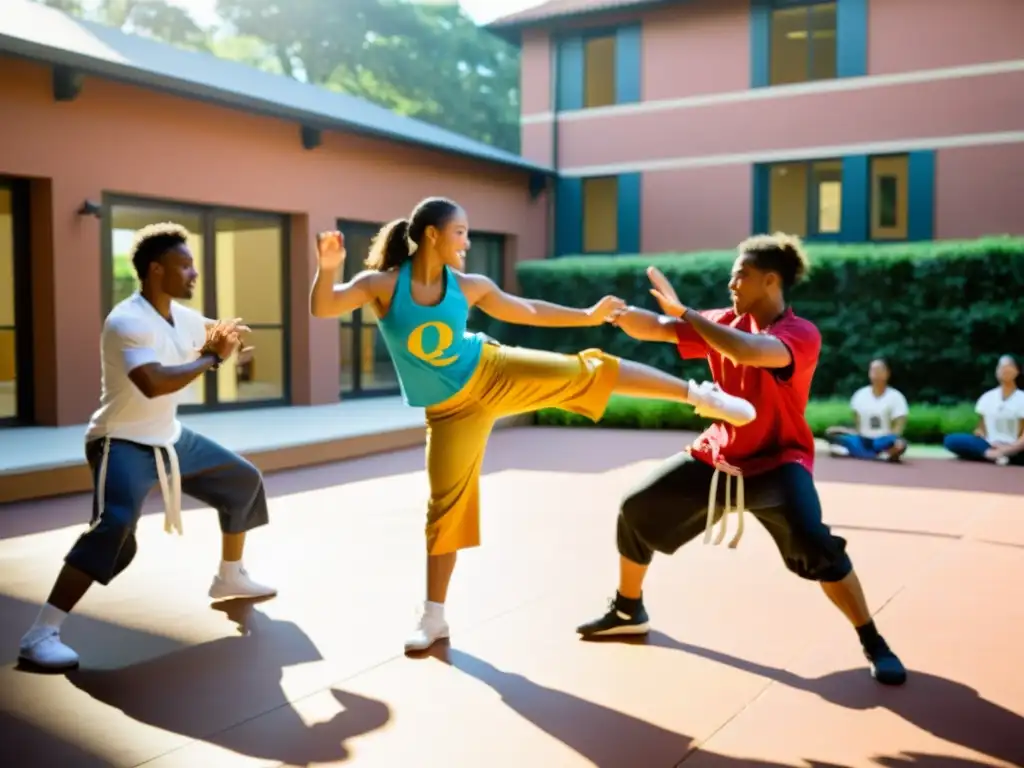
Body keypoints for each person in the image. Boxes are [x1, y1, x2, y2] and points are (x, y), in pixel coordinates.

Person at [309, 196, 757, 654]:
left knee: (588, 370)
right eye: (460, 232)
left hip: (493, 370)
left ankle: (700, 396)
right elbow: (324, 307)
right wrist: (328, 267)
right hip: (450, 411)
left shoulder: (469, 286)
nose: (466, 241)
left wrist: (586, 316)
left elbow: (528, 310)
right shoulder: (381, 285)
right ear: (432, 235)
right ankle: (434, 616)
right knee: (445, 507)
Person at [576, 233, 907, 686]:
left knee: (816, 544)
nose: (731, 282)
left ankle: (873, 640)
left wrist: (686, 315)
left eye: (741, 275)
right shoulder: (724, 320)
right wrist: (617, 314)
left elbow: (747, 351)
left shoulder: (799, 333)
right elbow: (657, 326)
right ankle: (627, 609)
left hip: (778, 463)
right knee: (635, 508)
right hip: (720, 458)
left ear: (770, 281)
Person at [17, 223, 277, 671]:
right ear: (156, 270)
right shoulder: (126, 321)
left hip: (169, 436)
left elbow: (219, 333)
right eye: (185, 265)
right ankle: (40, 633)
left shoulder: (181, 315)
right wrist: (212, 357)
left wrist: (230, 338)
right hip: (121, 442)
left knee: (243, 480)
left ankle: (229, 576)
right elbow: (152, 382)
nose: (194, 273)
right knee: (114, 527)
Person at [943, 354, 1024, 467]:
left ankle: (998, 455)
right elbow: (981, 429)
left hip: (1017, 447)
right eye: (1001, 367)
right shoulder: (987, 397)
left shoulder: (1021, 398)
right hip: (990, 445)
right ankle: (991, 455)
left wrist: (1007, 449)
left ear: (1017, 371)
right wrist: (981, 435)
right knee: (951, 440)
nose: (1004, 370)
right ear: (996, 372)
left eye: (1009, 366)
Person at [824, 358, 909, 462]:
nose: (875, 373)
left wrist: (890, 438)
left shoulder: (896, 397)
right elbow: (857, 422)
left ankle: (879, 453)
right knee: (832, 433)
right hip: (863, 438)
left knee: (900, 444)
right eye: (872, 370)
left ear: (887, 373)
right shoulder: (860, 395)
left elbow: (899, 426)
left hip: (883, 440)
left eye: (879, 370)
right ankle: (875, 454)